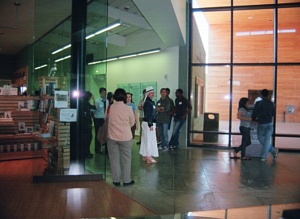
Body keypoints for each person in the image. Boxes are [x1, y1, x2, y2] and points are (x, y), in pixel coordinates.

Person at [107, 88, 135, 186]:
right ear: (124, 97)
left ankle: (116, 180)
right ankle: (127, 180)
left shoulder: (110, 108)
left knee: (114, 159)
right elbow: (132, 123)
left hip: (112, 137)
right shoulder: (128, 109)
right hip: (125, 137)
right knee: (126, 159)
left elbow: (105, 119)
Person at [252, 89, 279, 162]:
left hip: (261, 123)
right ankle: (272, 151)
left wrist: (254, 119)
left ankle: (264, 156)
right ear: (268, 95)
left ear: (261, 95)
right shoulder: (272, 103)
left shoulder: (258, 103)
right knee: (267, 140)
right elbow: (273, 114)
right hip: (270, 123)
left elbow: (254, 113)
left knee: (261, 138)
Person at [139, 86, 159, 164]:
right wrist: (150, 124)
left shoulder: (150, 102)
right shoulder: (148, 103)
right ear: (147, 94)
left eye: (153, 92)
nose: (152, 94)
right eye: (151, 93)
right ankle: (149, 157)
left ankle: (144, 155)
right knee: (149, 140)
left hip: (147, 123)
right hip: (148, 123)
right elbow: (148, 114)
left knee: (145, 139)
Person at [91, 87, 107, 154]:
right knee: (98, 134)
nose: (105, 94)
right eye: (103, 92)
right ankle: (97, 149)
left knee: (105, 134)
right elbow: (92, 111)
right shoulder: (97, 101)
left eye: (105, 92)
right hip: (97, 119)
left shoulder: (107, 101)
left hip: (104, 119)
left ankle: (104, 148)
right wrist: (94, 118)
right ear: (100, 93)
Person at [81, 91, 97, 158]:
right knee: (88, 138)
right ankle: (86, 152)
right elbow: (95, 107)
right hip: (87, 123)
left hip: (84, 123)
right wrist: (94, 99)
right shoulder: (86, 103)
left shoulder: (82, 102)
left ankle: (86, 152)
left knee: (85, 138)